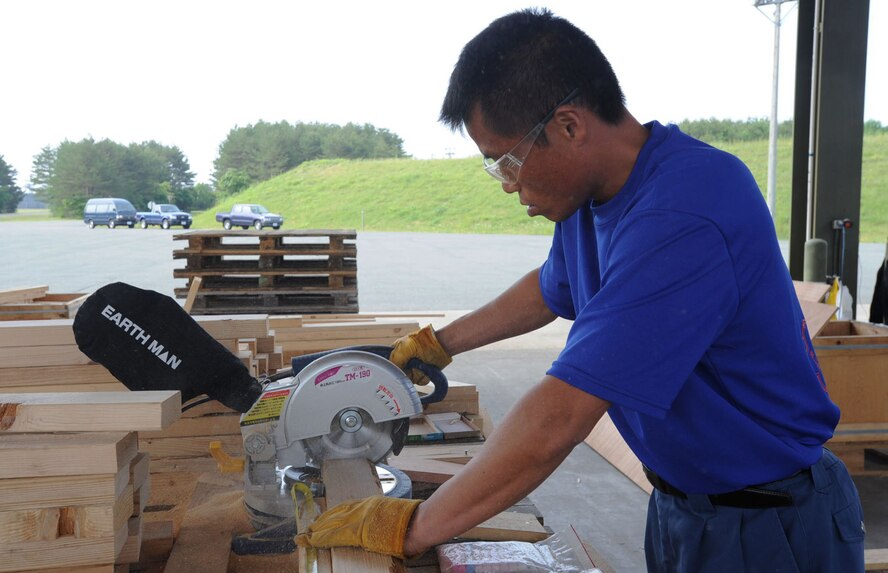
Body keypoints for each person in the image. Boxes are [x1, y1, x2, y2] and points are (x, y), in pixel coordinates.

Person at [296, 8, 865, 572]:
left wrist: (412, 526)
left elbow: (560, 416)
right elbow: (551, 289)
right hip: (682, 507)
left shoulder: (686, 211)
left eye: (507, 161)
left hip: (770, 525)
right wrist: (436, 344)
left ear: (569, 125)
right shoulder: (589, 197)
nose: (508, 185)